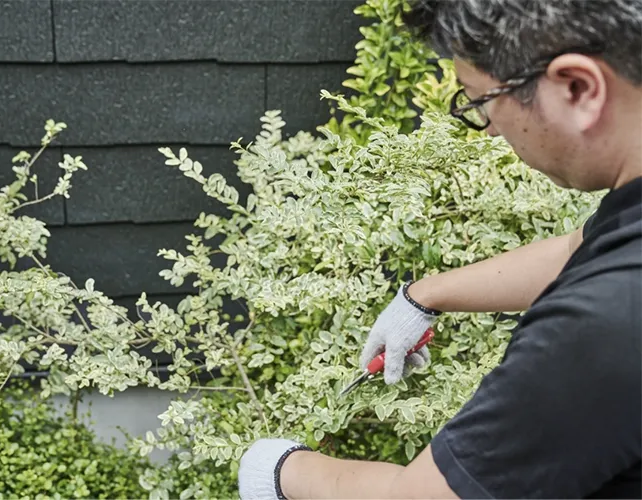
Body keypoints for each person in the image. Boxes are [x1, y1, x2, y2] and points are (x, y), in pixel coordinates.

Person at [237, 0, 642, 498]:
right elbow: (585, 248)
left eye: (481, 101)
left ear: (577, 88)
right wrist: (423, 297)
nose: (490, 129)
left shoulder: (602, 322)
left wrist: (280, 470)